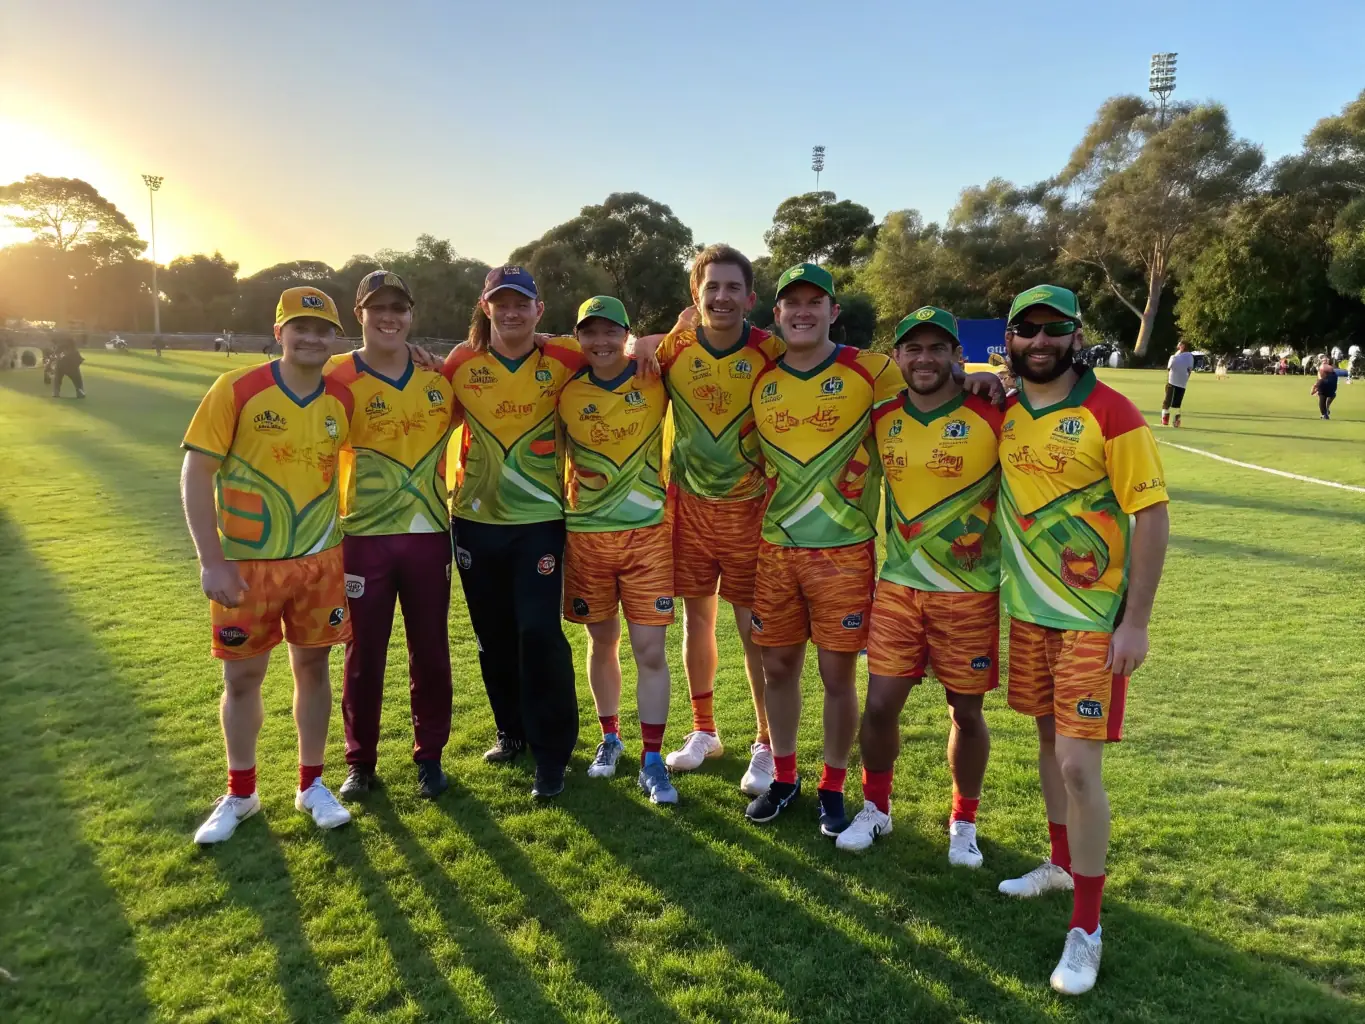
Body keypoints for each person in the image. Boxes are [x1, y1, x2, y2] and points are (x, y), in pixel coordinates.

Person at [995, 284, 1170, 995]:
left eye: (1053, 329)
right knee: (1045, 742)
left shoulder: (1112, 413)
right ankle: (1058, 861)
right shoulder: (1003, 409)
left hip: (1092, 625)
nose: (1039, 341)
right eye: (1025, 329)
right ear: (1008, 337)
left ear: (1075, 334)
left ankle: (1086, 926)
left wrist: (1135, 621)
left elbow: (1151, 517)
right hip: (1027, 615)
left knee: (1076, 766)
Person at [180, 286, 356, 844]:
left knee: (314, 670)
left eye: (323, 329)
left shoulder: (341, 401)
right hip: (247, 566)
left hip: (320, 562)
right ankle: (241, 792)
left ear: (334, 339)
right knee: (242, 678)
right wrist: (212, 561)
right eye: (300, 327)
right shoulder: (236, 388)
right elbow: (196, 473)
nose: (311, 337)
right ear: (278, 332)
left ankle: (311, 784)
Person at [836, 307, 1003, 868]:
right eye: (914, 349)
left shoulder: (992, 411)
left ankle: (964, 820)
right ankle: (876, 808)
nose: (925, 358)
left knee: (966, 713)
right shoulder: (882, 417)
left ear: (956, 355)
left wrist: (999, 379)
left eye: (938, 348)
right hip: (900, 588)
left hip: (970, 592)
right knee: (880, 707)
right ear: (898, 356)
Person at [742, 263, 903, 835]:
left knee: (839, 675)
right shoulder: (760, 378)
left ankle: (832, 785)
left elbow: (936, 395)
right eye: (792, 304)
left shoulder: (873, 371)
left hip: (844, 552)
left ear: (834, 311)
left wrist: (981, 380)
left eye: (816, 302)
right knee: (778, 665)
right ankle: (785, 777)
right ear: (777, 314)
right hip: (776, 549)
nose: (803, 312)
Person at [637, 244, 784, 797]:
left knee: (753, 632)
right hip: (689, 508)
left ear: (749, 297)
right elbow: (633, 349)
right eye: (710, 287)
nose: (721, 297)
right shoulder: (672, 349)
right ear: (694, 296)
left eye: (731, 288)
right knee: (697, 623)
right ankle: (704, 731)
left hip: (752, 509)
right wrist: (646, 340)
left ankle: (766, 744)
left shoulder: (772, 351)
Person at [442, 267, 585, 799]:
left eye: (521, 303)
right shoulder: (461, 363)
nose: (511, 312)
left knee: (539, 634)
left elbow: (623, 349)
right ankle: (511, 731)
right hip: (474, 521)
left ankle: (552, 753)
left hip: (540, 523)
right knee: (492, 637)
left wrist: (677, 323)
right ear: (485, 307)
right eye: (501, 303)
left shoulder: (565, 358)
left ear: (538, 310)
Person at [325, 270, 456, 801]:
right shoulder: (334, 376)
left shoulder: (438, 377)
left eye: (399, 308)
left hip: (428, 535)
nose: (389, 317)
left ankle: (430, 757)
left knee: (430, 651)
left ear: (410, 316)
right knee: (364, 655)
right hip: (364, 537)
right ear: (359, 314)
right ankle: (361, 762)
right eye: (377, 307)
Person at [559, 296, 679, 805]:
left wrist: (654, 340)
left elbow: (692, 326)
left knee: (650, 651)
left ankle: (653, 761)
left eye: (612, 332)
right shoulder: (563, 389)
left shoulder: (654, 375)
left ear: (627, 333)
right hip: (585, 536)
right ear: (578, 337)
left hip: (648, 534)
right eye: (591, 333)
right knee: (600, 642)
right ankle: (610, 738)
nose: (601, 342)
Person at [1161, 341, 1195, 427]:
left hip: (1176, 382)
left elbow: (1170, 368)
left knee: (1171, 402)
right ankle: (1171, 419)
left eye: (1180, 344)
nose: (1178, 345)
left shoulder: (1181, 357)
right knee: (1172, 402)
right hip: (1177, 382)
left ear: (1183, 346)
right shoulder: (1184, 356)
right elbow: (1188, 370)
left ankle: (1170, 419)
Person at [50, 333, 85, 398]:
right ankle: (80, 391)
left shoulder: (59, 347)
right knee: (77, 379)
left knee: (57, 379)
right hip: (72, 366)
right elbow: (79, 360)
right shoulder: (73, 348)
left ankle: (56, 392)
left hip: (61, 365)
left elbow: (55, 356)